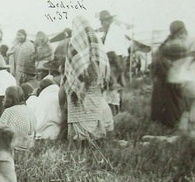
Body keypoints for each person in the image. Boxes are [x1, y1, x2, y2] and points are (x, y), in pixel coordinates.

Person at [64, 15, 112, 143]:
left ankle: (80, 138)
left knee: (80, 108)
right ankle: (95, 136)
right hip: (94, 83)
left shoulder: (75, 41)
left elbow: (72, 66)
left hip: (80, 86)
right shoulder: (97, 42)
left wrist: (75, 80)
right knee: (93, 109)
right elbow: (103, 63)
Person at [151, 20, 191, 129]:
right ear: (182, 31)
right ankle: (173, 126)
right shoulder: (178, 45)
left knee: (165, 102)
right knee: (175, 103)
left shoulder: (168, 43)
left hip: (164, 77)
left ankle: (164, 125)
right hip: (173, 77)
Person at [0, 86, 37, 151]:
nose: (3, 99)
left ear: (10, 99)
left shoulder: (10, 111)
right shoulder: (29, 110)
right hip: (29, 146)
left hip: (15, 147)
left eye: (5, 97)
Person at [26, 62, 63, 140]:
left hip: (40, 134)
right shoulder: (60, 95)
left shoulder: (37, 99)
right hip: (57, 134)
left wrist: (33, 95)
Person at [99, 10, 130, 87]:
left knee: (114, 84)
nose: (102, 25)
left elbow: (109, 50)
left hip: (115, 60)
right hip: (118, 59)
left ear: (106, 22)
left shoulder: (113, 31)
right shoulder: (113, 30)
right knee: (119, 82)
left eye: (102, 22)